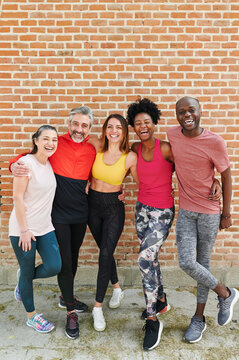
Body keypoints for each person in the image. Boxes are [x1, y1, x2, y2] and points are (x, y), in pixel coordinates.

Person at [127, 98, 222, 351]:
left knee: (144, 259)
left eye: (147, 122)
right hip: (141, 211)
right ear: (133, 127)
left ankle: (152, 318)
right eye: (138, 123)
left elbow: (193, 168)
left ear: (154, 123)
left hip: (163, 212)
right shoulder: (135, 149)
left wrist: (217, 182)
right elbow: (116, 167)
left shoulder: (167, 148)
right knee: (152, 259)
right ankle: (160, 301)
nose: (143, 126)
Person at [9, 107, 96, 340]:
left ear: (89, 128)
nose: (79, 129)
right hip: (54, 217)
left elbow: (97, 173)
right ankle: (68, 311)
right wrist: (12, 164)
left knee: (70, 260)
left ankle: (65, 297)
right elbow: (25, 160)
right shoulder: (56, 145)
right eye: (75, 124)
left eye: (84, 125)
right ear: (69, 124)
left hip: (75, 215)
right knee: (62, 262)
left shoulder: (89, 149)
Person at [167, 96, 239, 343]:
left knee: (203, 263)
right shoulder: (172, 135)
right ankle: (225, 292)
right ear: (176, 115)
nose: (187, 115)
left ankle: (198, 318)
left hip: (209, 212)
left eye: (191, 110)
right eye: (181, 111)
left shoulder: (215, 141)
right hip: (186, 211)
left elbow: (226, 176)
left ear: (200, 112)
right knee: (188, 262)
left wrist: (226, 213)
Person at [9, 125, 62, 333]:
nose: (50, 143)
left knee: (54, 266)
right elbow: (17, 197)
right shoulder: (25, 163)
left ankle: (24, 279)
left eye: (54, 140)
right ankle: (31, 316)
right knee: (28, 268)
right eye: (46, 139)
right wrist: (24, 230)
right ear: (36, 141)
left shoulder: (49, 163)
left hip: (45, 226)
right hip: (24, 229)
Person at [87, 114, 138, 332]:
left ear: (125, 132)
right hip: (91, 206)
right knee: (104, 251)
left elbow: (144, 182)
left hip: (113, 208)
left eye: (118, 127)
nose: (114, 130)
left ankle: (97, 307)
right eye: (110, 126)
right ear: (105, 130)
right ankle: (117, 288)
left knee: (106, 254)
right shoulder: (95, 145)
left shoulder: (130, 157)